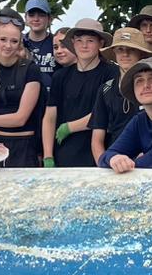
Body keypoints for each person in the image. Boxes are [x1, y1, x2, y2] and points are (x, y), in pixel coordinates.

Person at [43, 18, 120, 168]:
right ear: (72, 43)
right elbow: (50, 116)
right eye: (79, 40)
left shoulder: (112, 73)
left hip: (97, 154)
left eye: (90, 41)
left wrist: (70, 127)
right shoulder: (60, 76)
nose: (84, 45)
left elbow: (105, 112)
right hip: (63, 154)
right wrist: (47, 156)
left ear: (101, 43)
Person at [0, 10, 45, 167]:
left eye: (14, 41)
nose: (7, 45)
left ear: (19, 42)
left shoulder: (31, 70)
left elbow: (20, 118)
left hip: (24, 147)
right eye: (3, 39)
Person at [91, 27, 152, 163]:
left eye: (131, 49)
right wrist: (103, 164)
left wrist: (148, 160)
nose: (125, 54)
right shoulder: (105, 89)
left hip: (148, 161)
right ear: (114, 53)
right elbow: (97, 138)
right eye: (120, 49)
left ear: (141, 53)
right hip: (113, 162)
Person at [22, 0, 57, 80]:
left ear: (49, 19)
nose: (36, 19)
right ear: (25, 19)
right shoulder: (19, 43)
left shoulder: (57, 43)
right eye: (31, 15)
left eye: (41, 15)